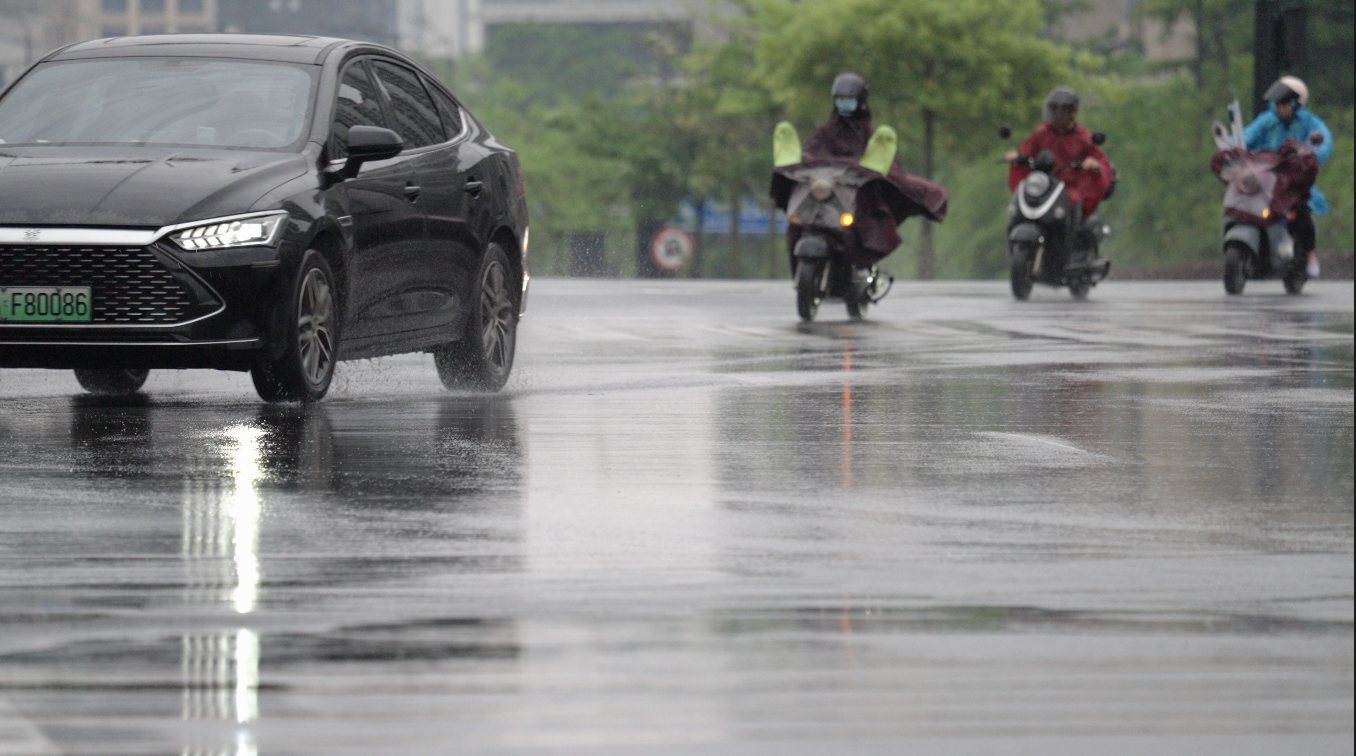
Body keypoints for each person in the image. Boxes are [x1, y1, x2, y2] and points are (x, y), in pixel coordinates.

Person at [778, 73, 947, 271]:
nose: (844, 103)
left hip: (855, 200)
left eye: (849, 100)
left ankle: (857, 271)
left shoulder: (871, 135)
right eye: (840, 99)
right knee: (796, 225)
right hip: (824, 197)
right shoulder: (825, 132)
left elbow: (887, 166)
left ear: (861, 101)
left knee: (860, 227)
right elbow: (810, 152)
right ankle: (798, 274)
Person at [1244, 76, 1333, 277]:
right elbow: (1247, 136)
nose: (1280, 108)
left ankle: (1309, 253)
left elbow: (1323, 141)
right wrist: (1235, 146)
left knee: (1301, 209)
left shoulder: (1309, 122)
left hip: (1294, 181)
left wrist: (1309, 156)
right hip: (1265, 179)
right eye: (1277, 103)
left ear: (1296, 103)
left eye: (1284, 103)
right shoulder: (1267, 121)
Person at [1005, 87, 1113, 221]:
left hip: (1069, 189)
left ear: (1073, 112)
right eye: (1053, 109)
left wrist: (1094, 165)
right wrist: (1017, 157)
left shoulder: (1083, 137)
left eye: (1061, 110)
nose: (1056, 114)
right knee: (1019, 209)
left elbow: (1101, 163)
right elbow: (1026, 152)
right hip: (1043, 186)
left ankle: (1072, 232)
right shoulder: (1041, 133)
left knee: (1073, 202)